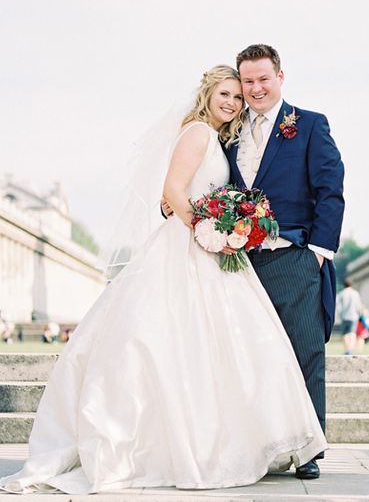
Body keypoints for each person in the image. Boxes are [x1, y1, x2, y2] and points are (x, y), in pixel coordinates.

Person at [0, 66, 326, 494]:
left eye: (237, 98)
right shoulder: (197, 133)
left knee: (221, 346)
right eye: (225, 93)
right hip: (191, 245)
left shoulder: (218, 139)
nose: (231, 102)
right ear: (208, 93)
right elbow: (173, 190)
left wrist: (222, 229)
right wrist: (208, 232)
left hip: (210, 245)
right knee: (171, 341)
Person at [222, 44, 344, 481]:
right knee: (249, 354)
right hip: (238, 263)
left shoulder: (310, 125)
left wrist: (317, 253)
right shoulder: (228, 131)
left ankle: (307, 449)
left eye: (262, 79)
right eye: (247, 81)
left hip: (293, 255)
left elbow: (330, 189)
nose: (255, 89)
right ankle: (257, 445)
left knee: (304, 352)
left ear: (280, 77)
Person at [336, 278, 364, 355]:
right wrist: (360, 313)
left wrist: (339, 315)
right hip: (354, 316)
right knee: (352, 333)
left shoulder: (341, 294)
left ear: (344, 284)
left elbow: (337, 306)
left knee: (344, 334)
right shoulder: (355, 293)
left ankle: (347, 349)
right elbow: (358, 306)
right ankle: (350, 349)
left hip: (344, 316)